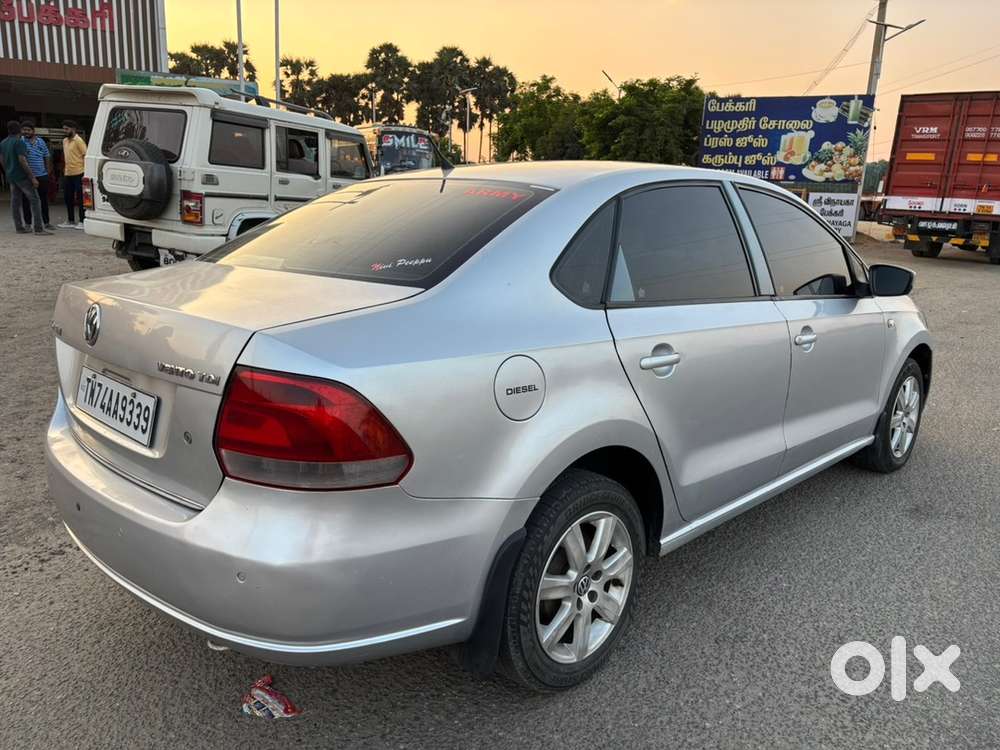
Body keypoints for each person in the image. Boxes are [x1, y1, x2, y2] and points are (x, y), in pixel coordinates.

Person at [1, 119, 51, 235]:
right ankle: (38, 229)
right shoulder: (19, 142)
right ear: (19, 130)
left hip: (12, 177)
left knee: (15, 202)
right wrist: (32, 177)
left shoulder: (3, 143)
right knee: (35, 200)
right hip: (22, 176)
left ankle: (19, 227)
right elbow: (22, 160)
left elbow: (2, 159)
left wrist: (8, 171)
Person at [20, 120, 54, 230]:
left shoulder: (40, 141)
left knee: (43, 199)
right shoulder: (20, 142)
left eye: (28, 130)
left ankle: (46, 222)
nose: (26, 132)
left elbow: (47, 156)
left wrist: (47, 171)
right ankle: (28, 224)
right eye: (24, 130)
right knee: (26, 200)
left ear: (33, 131)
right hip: (27, 176)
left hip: (42, 175)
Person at [60, 119, 87, 230]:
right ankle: (70, 220)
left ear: (73, 129)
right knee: (68, 197)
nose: (65, 131)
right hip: (68, 173)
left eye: (67, 129)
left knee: (81, 198)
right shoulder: (65, 141)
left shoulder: (79, 140)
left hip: (79, 172)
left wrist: (86, 172)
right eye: (64, 129)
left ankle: (82, 221)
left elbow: (86, 155)